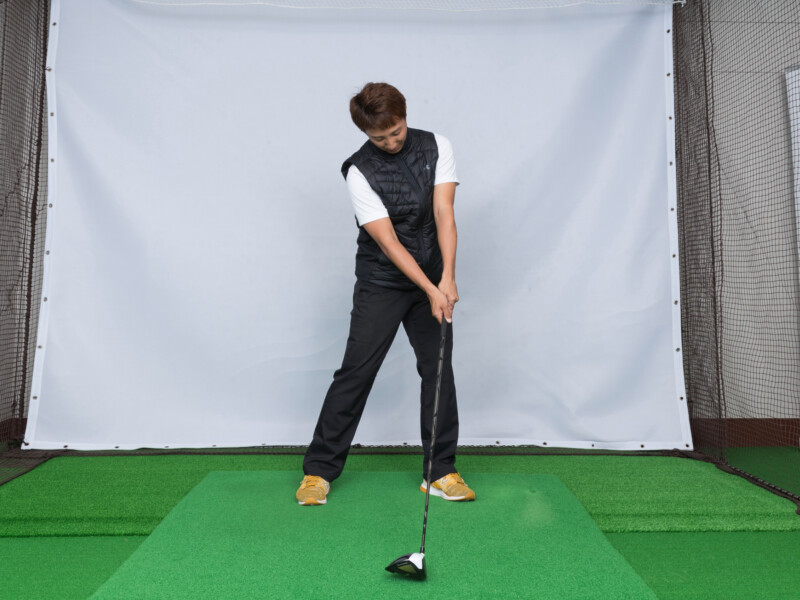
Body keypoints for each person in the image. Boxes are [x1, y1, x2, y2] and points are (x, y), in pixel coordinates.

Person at [296, 82, 474, 506]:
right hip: (383, 281)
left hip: (434, 275)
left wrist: (447, 278)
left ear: (404, 117)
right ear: (365, 133)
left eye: (396, 132)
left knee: (438, 369)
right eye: (380, 138)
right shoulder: (358, 171)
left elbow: (444, 212)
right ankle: (318, 472)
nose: (392, 143)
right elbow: (390, 243)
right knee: (357, 371)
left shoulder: (437, 146)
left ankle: (440, 471)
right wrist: (430, 288)